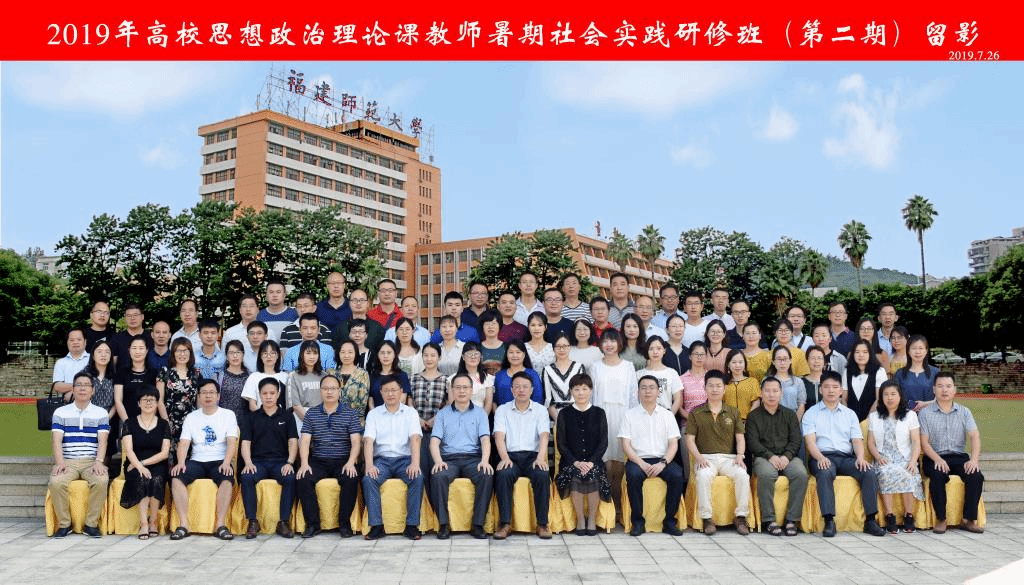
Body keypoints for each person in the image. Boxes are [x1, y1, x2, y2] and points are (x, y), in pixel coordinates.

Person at [801, 371, 886, 537]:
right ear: (820, 390)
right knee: (825, 471)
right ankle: (829, 521)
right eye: (826, 387)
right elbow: (810, 442)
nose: (831, 390)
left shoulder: (849, 414)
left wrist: (860, 458)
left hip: (846, 458)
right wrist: (820, 457)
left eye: (835, 387)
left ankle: (870, 521)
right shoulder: (811, 413)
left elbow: (856, 441)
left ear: (841, 390)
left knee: (868, 472)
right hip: (822, 456)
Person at [169, 379, 239, 541]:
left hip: (219, 460)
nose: (208, 396)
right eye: (204, 393)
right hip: (197, 460)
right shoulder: (192, 417)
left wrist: (227, 462)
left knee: (227, 478)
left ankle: (220, 525)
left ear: (218, 396)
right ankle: (184, 524)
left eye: (212, 392)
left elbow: (232, 442)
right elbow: (184, 443)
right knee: (177, 478)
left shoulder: (228, 415)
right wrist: (181, 462)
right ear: (198, 396)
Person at [295, 375, 363, 538]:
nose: (329, 392)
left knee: (351, 478)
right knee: (303, 477)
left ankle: (344, 525)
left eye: (333, 388)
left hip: (343, 460)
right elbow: (305, 441)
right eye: (325, 389)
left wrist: (351, 462)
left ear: (339, 391)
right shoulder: (311, 414)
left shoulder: (350, 413)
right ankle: (313, 524)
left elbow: (356, 442)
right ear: (320, 391)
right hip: (318, 460)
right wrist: (304, 463)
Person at [429, 373, 494, 539]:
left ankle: (477, 525)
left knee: (486, 474)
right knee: (438, 475)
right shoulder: (442, 414)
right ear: (452, 390)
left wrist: (485, 461)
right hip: (449, 459)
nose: (462, 391)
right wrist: (438, 461)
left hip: (473, 459)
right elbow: (434, 442)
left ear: (472, 390)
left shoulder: (480, 413)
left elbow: (485, 440)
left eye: (465, 387)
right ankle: (444, 524)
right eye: (457, 387)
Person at [686, 370, 751, 535]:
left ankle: (741, 517)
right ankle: (707, 519)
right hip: (706, 458)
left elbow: (740, 438)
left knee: (743, 475)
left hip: (729, 459)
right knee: (703, 476)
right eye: (711, 386)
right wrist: (698, 457)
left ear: (724, 389)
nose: (714, 389)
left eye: (718, 386)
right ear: (705, 388)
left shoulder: (733, 412)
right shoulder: (695, 412)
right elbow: (690, 440)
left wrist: (740, 455)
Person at [918, 372, 985, 534]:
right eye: (940, 386)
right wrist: (937, 459)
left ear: (954, 390)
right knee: (937, 475)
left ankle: (968, 519)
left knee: (975, 475)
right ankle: (941, 519)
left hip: (958, 456)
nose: (944, 390)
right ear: (934, 389)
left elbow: (974, 436)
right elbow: (924, 443)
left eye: (948, 386)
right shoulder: (925, 413)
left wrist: (974, 460)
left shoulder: (964, 412)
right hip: (933, 457)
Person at [620, 375, 686, 536]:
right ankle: (638, 522)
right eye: (643, 388)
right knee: (633, 475)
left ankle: (669, 522)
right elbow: (626, 445)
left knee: (677, 475)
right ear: (638, 392)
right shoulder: (630, 415)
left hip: (662, 459)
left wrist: (663, 463)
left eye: (651, 388)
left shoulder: (667, 415)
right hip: (638, 460)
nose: (647, 391)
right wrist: (641, 463)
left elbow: (673, 444)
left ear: (658, 391)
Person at [362, 376, 424, 540]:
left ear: (401, 392)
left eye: (393, 390)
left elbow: (415, 439)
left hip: (404, 459)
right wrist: (369, 465)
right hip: (382, 461)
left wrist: (415, 463)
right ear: (381, 393)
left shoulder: (410, 413)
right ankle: (376, 526)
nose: (390, 394)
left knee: (417, 477)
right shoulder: (374, 414)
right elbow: (368, 441)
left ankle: (412, 526)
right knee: (369, 479)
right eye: (386, 391)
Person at [48, 372, 109, 538]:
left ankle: (91, 524)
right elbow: (56, 441)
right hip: (68, 461)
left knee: (101, 480)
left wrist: (99, 462)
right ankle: (64, 524)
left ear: (93, 390)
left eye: (87, 385)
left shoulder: (101, 413)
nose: (83, 388)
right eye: (79, 385)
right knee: (56, 482)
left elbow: (103, 441)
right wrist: (60, 462)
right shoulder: (61, 412)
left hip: (91, 461)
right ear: (73, 389)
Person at [492, 372, 552, 539]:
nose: (521, 390)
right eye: (517, 387)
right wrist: (504, 458)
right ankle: (505, 524)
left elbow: (544, 435)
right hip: (510, 456)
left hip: (533, 456)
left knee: (542, 474)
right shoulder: (503, 410)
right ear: (512, 390)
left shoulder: (540, 410)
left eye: (525, 387)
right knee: (503, 474)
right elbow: (499, 437)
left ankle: (542, 524)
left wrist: (540, 458)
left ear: (532, 390)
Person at [745, 376, 808, 537]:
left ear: (781, 393)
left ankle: (792, 519)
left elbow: (796, 440)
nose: (771, 395)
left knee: (800, 474)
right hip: (764, 457)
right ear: (761, 393)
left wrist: (787, 456)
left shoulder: (790, 415)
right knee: (767, 474)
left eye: (775, 391)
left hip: (788, 457)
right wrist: (770, 456)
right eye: (767, 391)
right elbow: (752, 442)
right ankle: (769, 520)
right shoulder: (753, 416)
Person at [240, 377, 298, 539]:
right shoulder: (252, 417)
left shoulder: (287, 416)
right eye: (265, 393)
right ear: (259, 395)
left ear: (278, 394)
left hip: (281, 462)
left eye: (272, 393)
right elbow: (245, 443)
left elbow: (293, 441)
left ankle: (284, 522)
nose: (269, 396)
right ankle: (253, 521)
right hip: (258, 463)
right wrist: (248, 463)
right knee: (247, 476)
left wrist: (290, 462)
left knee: (290, 477)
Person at [589, 328, 638, 522]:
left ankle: (619, 506)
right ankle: (606, 507)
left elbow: (633, 396)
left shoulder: (628, 367)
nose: (609, 345)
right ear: (601, 344)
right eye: (605, 341)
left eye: (612, 341)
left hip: (623, 417)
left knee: (620, 462)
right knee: (605, 462)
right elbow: (591, 396)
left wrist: (632, 421)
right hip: (601, 417)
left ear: (619, 343)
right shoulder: (595, 367)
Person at [555, 373, 611, 536]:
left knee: (593, 473)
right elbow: (561, 444)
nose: (581, 393)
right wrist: (576, 462)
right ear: (571, 391)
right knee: (575, 474)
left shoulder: (599, 413)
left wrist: (592, 461)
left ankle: (591, 520)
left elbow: (603, 443)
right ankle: (580, 520)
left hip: (595, 462)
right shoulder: (564, 413)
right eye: (577, 389)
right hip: (570, 462)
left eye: (584, 389)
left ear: (591, 391)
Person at [866, 380, 925, 534]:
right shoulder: (874, 417)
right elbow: (870, 443)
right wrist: (878, 457)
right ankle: (890, 516)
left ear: (900, 396)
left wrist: (913, 461)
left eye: (893, 394)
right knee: (885, 472)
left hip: (905, 458)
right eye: (886, 395)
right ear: (881, 397)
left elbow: (916, 442)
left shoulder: (910, 415)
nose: (890, 398)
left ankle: (908, 515)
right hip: (883, 458)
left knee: (908, 472)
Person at [119, 385, 171, 540]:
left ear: (157, 403)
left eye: (152, 400)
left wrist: (143, 463)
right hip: (133, 463)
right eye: (145, 400)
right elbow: (129, 450)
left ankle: (153, 521)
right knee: (143, 478)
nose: (148, 403)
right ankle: (144, 523)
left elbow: (164, 454)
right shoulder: (129, 423)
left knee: (157, 479)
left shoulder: (164, 424)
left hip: (156, 463)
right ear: (138, 403)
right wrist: (139, 466)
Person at [408, 343, 449, 482]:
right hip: (416, 429)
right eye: (426, 355)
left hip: (438, 430)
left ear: (439, 357)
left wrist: (435, 419)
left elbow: (448, 404)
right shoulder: (413, 378)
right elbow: (409, 402)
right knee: (419, 468)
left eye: (433, 355)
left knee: (436, 469)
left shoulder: (446, 380)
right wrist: (417, 419)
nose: (429, 359)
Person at [157, 338, 202, 450]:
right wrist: (166, 423)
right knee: (170, 453)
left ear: (190, 353)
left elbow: (199, 401)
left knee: (190, 453)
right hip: (170, 421)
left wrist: (200, 420)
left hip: (191, 422)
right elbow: (159, 400)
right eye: (178, 351)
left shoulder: (196, 374)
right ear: (173, 353)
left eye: (185, 350)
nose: (182, 354)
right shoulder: (164, 372)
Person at [114, 336, 159, 431]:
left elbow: (157, 400)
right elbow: (118, 400)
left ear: (147, 351)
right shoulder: (121, 372)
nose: (137, 351)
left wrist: (147, 421)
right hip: (126, 420)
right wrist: (127, 422)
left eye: (141, 348)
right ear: (129, 350)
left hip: (149, 422)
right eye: (134, 348)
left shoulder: (154, 373)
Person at [83, 340, 116, 467]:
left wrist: (106, 417)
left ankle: (103, 470)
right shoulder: (85, 375)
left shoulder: (115, 375)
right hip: (88, 417)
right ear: (93, 355)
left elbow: (118, 400)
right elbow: (82, 399)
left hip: (110, 416)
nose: (103, 355)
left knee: (107, 442)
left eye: (107, 352)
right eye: (99, 351)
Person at [543, 332, 586, 421]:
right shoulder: (547, 370)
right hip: (556, 417)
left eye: (565, 346)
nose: (561, 349)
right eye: (558, 346)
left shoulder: (579, 367)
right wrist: (559, 421)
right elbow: (548, 400)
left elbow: (584, 394)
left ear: (570, 347)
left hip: (578, 415)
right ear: (553, 348)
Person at [636, 336, 683, 417]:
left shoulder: (672, 373)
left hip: (665, 417)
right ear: (647, 351)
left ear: (664, 350)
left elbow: (678, 399)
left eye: (659, 348)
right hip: (643, 417)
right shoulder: (639, 374)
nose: (655, 352)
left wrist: (669, 416)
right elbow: (634, 399)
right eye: (651, 349)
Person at [846, 339, 888, 422]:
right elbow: (844, 399)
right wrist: (851, 420)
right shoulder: (847, 371)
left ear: (870, 354)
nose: (861, 355)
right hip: (850, 420)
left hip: (873, 420)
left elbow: (879, 399)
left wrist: (866, 421)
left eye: (865, 352)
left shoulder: (880, 371)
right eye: (857, 352)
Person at [895, 334, 939, 412]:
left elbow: (942, 397)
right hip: (905, 416)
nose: (917, 352)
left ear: (926, 351)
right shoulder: (899, 373)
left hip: (930, 415)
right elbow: (894, 396)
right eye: (914, 348)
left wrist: (925, 404)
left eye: (921, 348)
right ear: (908, 351)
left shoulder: (935, 372)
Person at [286, 340, 327, 423]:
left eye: (315, 353)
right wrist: (311, 423)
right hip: (301, 419)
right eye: (308, 353)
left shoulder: (324, 376)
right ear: (302, 354)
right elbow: (295, 405)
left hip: (324, 419)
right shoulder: (293, 376)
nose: (312, 357)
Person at [242, 339, 288, 413]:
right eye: (265, 353)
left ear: (278, 356)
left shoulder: (285, 376)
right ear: (260, 356)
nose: (268, 356)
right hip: (259, 417)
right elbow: (252, 405)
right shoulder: (253, 377)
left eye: (272, 353)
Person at [494, 340, 543, 407]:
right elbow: (494, 401)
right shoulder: (499, 376)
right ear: (506, 354)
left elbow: (538, 399)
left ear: (524, 354)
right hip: (503, 413)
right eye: (511, 352)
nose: (514, 355)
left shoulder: (533, 375)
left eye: (518, 352)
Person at [332, 339, 371, 420]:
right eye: (343, 352)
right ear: (338, 353)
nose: (346, 355)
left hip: (355, 420)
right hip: (334, 419)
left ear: (355, 353)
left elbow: (363, 403)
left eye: (350, 352)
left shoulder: (362, 374)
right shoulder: (333, 374)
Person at [367, 340, 411, 409]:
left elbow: (402, 399)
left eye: (389, 353)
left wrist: (389, 413)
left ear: (394, 355)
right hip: (376, 414)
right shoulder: (373, 376)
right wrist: (375, 413)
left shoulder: (402, 375)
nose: (385, 356)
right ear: (378, 355)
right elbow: (370, 401)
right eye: (382, 353)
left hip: (397, 413)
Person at [766, 346, 807, 421]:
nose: (782, 363)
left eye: (785, 359)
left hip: (792, 420)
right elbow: (764, 403)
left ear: (790, 360)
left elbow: (801, 405)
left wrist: (794, 423)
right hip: (771, 421)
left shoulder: (798, 382)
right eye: (779, 359)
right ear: (773, 362)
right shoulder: (767, 381)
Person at [52, 328, 89, 400]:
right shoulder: (61, 363)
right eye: (72, 340)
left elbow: (96, 384)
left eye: (79, 339)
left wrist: (73, 393)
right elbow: (57, 386)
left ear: (85, 342)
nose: (75, 342)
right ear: (67, 342)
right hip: (67, 403)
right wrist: (79, 388)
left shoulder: (93, 360)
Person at [457, 342, 495, 412]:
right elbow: (452, 403)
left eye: (476, 354)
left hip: (481, 416)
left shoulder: (488, 378)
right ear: (463, 357)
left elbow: (488, 404)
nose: (473, 357)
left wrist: (482, 418)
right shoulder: (453, 379)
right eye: (469, 354)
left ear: (480, 357)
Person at [218, 340, 250, 422]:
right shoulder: (219, 376)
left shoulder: (250, 377)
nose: (235, 356)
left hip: (245, 421)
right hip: (223, 420)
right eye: (231, 353)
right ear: (226, 356)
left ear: (243, 355)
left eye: (238, 352)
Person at [724, 349, 760, 420]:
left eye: (740, 362)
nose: (737, 365)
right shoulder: (723, 384)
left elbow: (756, 402)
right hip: (728, 422)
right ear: (728, 364)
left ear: (745, 364)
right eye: (734, 362)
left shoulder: (752, 381)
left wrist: (749, 419)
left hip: (749, 421)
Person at [477, 310, 507, 375]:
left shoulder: (507, 347)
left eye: (493, 323)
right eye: (487, 324)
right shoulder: (477, 348)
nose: (490, 327)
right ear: (482, 327)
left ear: (499, 326)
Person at [802, 345, 828, 411]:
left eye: (819, 358)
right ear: (807, 361)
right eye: (813, 358)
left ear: (824, 361)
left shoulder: (830, 381)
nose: (816, 361)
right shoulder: (801, 382)